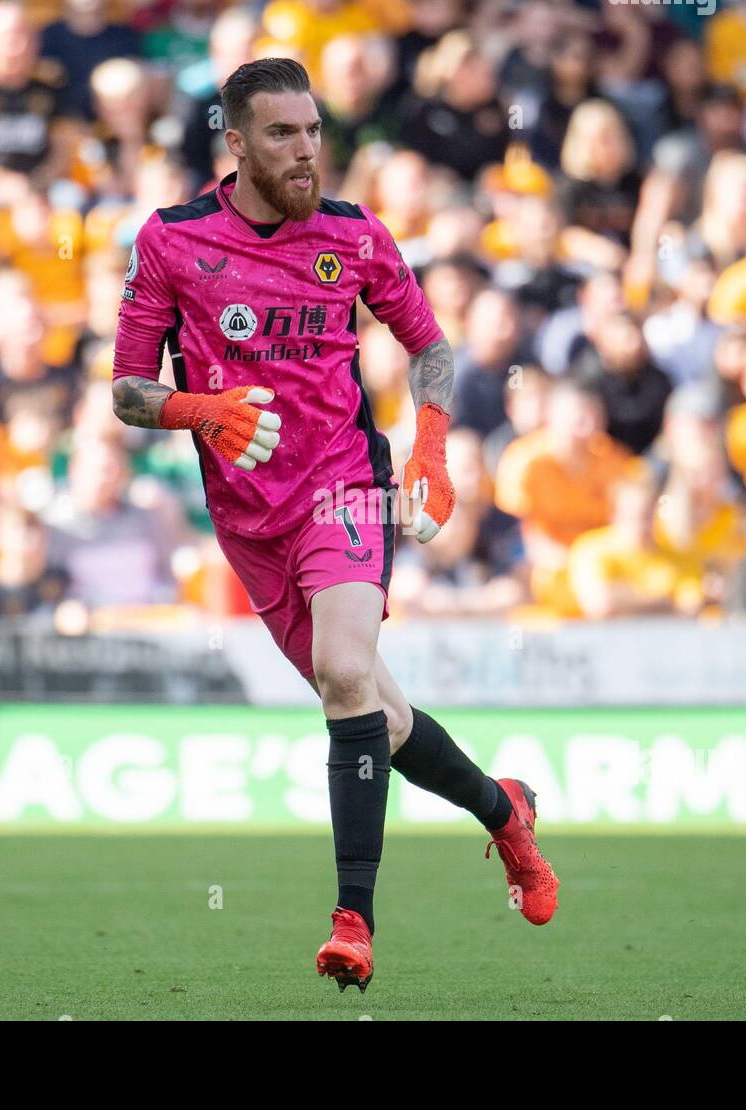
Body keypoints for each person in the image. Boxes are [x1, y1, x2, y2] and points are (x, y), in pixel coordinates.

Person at [111, 57, 558, 993]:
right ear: (236, 143)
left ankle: (354, 922)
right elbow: (128, 390)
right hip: (248, 517)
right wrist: (203, 409)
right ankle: (503, 812)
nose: (306, 149)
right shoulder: (170, 242)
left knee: (346, 672)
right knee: (375, 712)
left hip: (344, 485)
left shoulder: (353, 236)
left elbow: (429, 347)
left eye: (313, 129)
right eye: (282, 134)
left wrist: (431, 440)